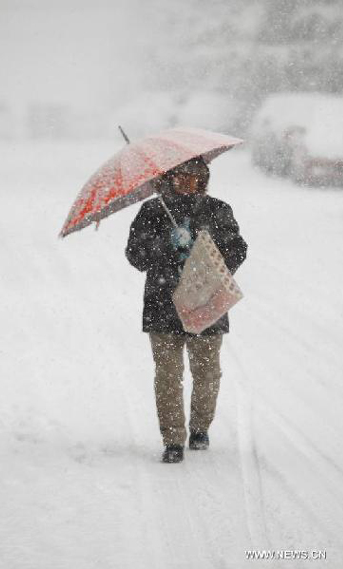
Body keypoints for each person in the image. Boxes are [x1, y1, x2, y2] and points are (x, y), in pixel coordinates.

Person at [125, 156, 247, 463]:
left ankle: (200, 428)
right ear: (168, 178)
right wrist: (163, 246)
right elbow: (136, 257)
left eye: (195, 177)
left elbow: (237, 249)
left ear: (204, 180)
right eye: (180, 176)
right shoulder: (152, 211)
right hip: (162, 305)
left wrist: (206, 261)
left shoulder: (217, 210)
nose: (187, 182)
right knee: (167, 376)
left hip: (207, 303)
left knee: (207, 374)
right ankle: (173, 439)